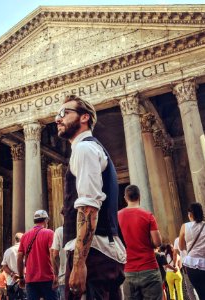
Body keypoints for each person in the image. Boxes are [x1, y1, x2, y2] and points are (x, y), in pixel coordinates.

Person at [55, 94, 126, 300]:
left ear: (84, 117)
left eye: (64, 113)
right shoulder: (92, 148)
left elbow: (88, 209)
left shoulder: (84, 149)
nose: (58, 119)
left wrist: (78, 265)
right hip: (101, 254)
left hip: (92, 256)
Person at [118, 184, 162, 300]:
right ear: (139, 197)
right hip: (149, 267)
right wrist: (148, 242)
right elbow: (158, 242)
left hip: (128, 269)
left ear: (125, 198)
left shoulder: (118, 216)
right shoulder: (148, 216)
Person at [179, 202, 205, 300]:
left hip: (193, 266)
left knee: (203, 295)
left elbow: (181, 247)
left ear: (190, 214)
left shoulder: (185, 226)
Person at [17, 210, 57, 300]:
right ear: (46, 220)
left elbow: (19, 257)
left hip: (30, 279)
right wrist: (56, 275)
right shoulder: (49, 233)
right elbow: (53, 254)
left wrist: (21, 277)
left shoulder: (25, 236)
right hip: (47, 278)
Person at [2, 232, 24, 300]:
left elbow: (4, 267)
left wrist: (12, 274)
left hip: (11, 282)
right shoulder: (26, 250)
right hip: (24, 281)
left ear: (15, 240)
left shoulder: (8, 251)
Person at [51, 207, 66, 300]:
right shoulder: (82, 230)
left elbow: (55, 254)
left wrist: (56, 273)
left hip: (64, 276)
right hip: (83, 276)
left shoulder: (59, 231)